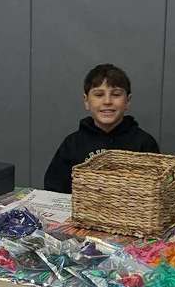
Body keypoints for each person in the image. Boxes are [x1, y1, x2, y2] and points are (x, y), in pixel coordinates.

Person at [44, 64, 160, 194]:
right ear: (86, 101)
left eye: (116, 94)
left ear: (127, 101)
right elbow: (53, 189)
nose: (107, 101)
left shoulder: (144, 144)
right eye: (99, 95)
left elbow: (155, 192)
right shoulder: (72, 144)